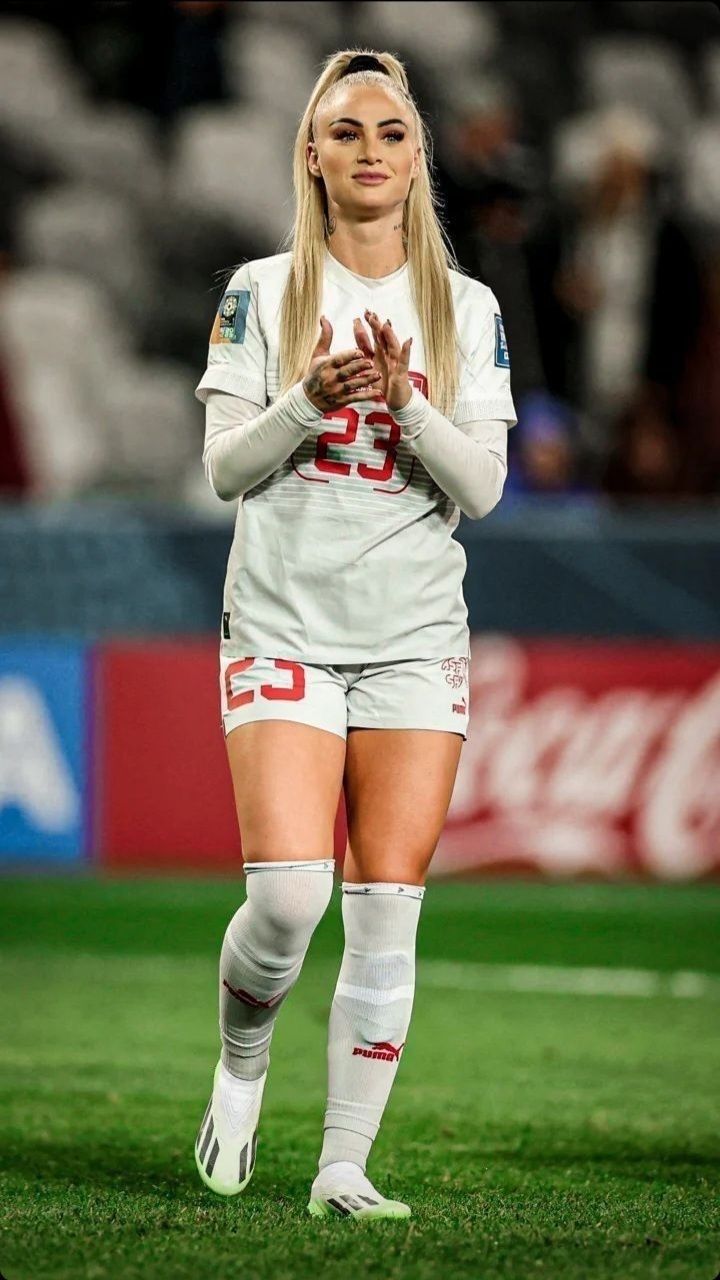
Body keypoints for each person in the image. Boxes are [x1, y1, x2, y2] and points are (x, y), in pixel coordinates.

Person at [193, 49, 516, 1221]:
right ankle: (240, 1060)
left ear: (416, 155)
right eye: (345, 130)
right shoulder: (263, 287)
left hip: (413, 632)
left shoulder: (462, 306)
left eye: (390, 130)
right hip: (281, 615)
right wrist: (312, 402)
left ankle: (341, 1165)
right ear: (313, 154)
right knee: (287, 898)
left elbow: (481, 489)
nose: (369, 148)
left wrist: (407, 402)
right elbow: (225, 466)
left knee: (387, 904)